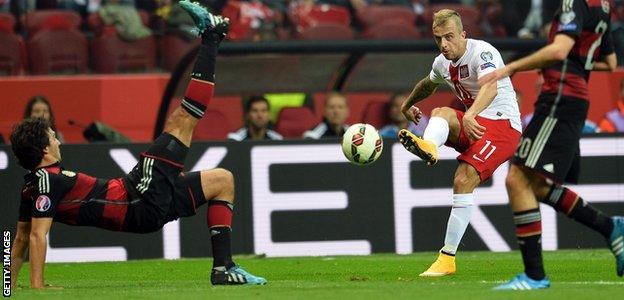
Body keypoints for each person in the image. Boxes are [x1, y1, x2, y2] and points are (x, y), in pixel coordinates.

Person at [9, 1, 266, 289]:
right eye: (52, 137)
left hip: (145, 208)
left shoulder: (32, 185)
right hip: (137, 197)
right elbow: (35, 235)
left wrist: (7, 285)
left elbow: (18, 238)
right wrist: (37, 286)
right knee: (183, 119)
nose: (57, 139)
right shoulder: (46, 180)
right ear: (44, 150)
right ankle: (211, 36)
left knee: (222, 181)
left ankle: (224, 268)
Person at [480, 0, 623, 290]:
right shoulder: (603, 8)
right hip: (572, 100)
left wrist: (508, 68)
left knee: (516, 178)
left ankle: (534, 276)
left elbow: (558, 50)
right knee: (534, 183)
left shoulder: (574, 3)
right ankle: (610, 227)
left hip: (560, 98)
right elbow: (610, 63)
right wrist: (577, 62)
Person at [397, 9, 522, 277]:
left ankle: (447, 259)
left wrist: (472, 115)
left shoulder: (483, 53)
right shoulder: (442, 62)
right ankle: (429, 147)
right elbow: (428, 84)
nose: (443, 44)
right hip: (475, 123)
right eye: (438, 38)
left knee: (463, 179)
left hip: (502, 126)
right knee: (441, 112)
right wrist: (408, 105)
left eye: (449, 37)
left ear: (463, 35)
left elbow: (490, 87)